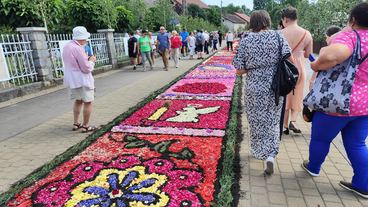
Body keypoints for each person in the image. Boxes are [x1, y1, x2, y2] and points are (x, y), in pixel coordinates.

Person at [302, 2, 368, 199]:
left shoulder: (351, 36)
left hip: (336, 103)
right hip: (364, 106)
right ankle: (363, 184)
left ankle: (313, 167)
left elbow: (333, 54)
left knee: (321, 138)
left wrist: (316, 65)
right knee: (357, 144)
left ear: (353, 20)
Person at [233, 10, 292, 175]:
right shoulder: (278, 36)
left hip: (254, 88)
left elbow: (239, 70)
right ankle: (271, 155)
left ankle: (258, 151)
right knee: (273, 121)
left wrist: (254, 67)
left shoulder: (246, 39)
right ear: (267, 21)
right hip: (275, 88)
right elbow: (289, 59)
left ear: (252, 22)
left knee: (256, 121)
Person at [281, 6, 313, 134]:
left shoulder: (280, 33)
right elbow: (308, 54)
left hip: (284, 67)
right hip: (299, 67)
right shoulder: (306, 33)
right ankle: (293, 121)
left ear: (285, 19)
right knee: (298, 93)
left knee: (285, 95)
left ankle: (284, 126)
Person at [62, 26, 97, 133]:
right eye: (85, 39)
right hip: (82, 79)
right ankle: (86, 125)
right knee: (88, 102)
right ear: (82, 38)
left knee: (78, 101)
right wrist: (91, 60)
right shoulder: (78, 48)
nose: (86, 41)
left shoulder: (67, 46)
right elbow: (86, 68)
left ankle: (76, 123)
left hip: (72, 79)